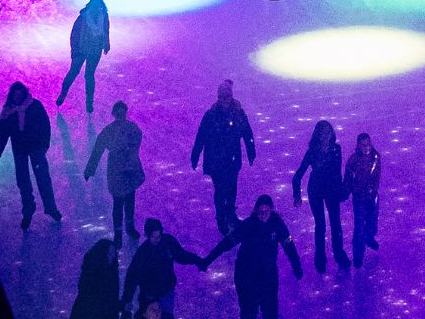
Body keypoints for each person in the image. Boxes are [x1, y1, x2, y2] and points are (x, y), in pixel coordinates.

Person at [201, 195, 303, 319]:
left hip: (268, 274)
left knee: (270, 310)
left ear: (271, 210)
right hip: (246, 274)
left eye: (266, 211)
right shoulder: (248, 225)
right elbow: (226, 243)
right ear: (256, 211)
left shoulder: (277, 225)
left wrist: (297, 266)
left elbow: (289, 246)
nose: (263, 214)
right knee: (248, 311)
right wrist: (208, 259)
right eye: (261, 211)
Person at [191, 79, 257, 235]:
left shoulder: (238, 113)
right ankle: (221, 218)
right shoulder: (211, 115)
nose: (225, 100)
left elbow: (247, 132)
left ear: (231, 96)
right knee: (220, 190)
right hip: (216, 160)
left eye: (227, 96)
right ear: (218, 97)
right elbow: (201, 136)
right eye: (222, 97)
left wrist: (251, 150)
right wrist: (195, 155)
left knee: (232, 188)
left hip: (232, 159)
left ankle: (230, 214)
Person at [0, 81, 61, 229]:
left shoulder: (35, 106)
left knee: (43, 179)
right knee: (23, 181)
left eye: (20, 95)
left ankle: (51, 208)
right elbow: (3, 134)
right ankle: (28, 209)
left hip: (36, 147)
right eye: (15, 95)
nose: (17, 98)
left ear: (24, 94)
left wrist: (44, 145)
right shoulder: (8, 112)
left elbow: (45, 125)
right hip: (20, 149)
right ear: (12, 96)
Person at [84, 101, 147, 246]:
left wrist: (90, 170)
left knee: (126, 201)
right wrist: (90, 169)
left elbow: (98, 149)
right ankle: (122, 232)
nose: (120, 114)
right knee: (121, 202)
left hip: (125, 169)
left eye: (122, 111)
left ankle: (126, 230)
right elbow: (98, 149)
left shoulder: (120, 129)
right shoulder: (124, 129)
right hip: (121, 170)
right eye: (119, 112)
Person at [293, 120, 351, 273]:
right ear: (318, 135)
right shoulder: (312, 152)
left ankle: (338, 254)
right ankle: (320, 257)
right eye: (323, 133)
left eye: (328, 133)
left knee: (336, 224)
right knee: (320, 225)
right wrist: (297, 194)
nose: (326, 136)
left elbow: (337, 172)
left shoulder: (336, 149)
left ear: (331, 134)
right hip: (316, 191)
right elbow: (298, 175)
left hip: (331, 190)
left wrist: (341, 190)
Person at [121, 218, 202, 319]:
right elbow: (132, 277)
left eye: (159, 236)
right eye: (153, 237)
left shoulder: (168, 242)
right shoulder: (142, 253)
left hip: (167, 291)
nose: (157, 239)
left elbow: (181, 256)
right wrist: (126, 301)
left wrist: (197, 260)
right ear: (147, 235)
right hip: (150, 295)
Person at [57, 0, 111, 113]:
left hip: (95, 50)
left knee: (89, 75)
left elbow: (106, 30)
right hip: (80, 50)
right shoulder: (82, 17)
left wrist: (107, 43)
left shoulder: (104, 16)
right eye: (94, 7)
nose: (96, 10)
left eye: (98, 7)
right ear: (90, 6)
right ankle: (63, 94)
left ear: (101, 8)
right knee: (73, 72)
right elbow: (74, 34)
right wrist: (74, 50)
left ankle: (89, 102)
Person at [343, 133, 382, 265]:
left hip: (373, 196)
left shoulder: (375, 157)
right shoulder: (354, 160)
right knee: (359, 227)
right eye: (364, 145)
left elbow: (376, 176)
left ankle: (369, 237)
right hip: (359, 198)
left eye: (368, 144)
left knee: (372, 222)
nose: (367, 148)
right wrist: (345, 193)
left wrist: (373, 191)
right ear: (358, 146)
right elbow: (348, 179)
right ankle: (358, 255)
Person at [69, 240, 121, 319]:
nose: (113, 256)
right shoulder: (95, 274)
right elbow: (102, 299)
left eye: (114, 253)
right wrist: (120, 306)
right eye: (110, 253)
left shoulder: (110, 271)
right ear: (102, 254)